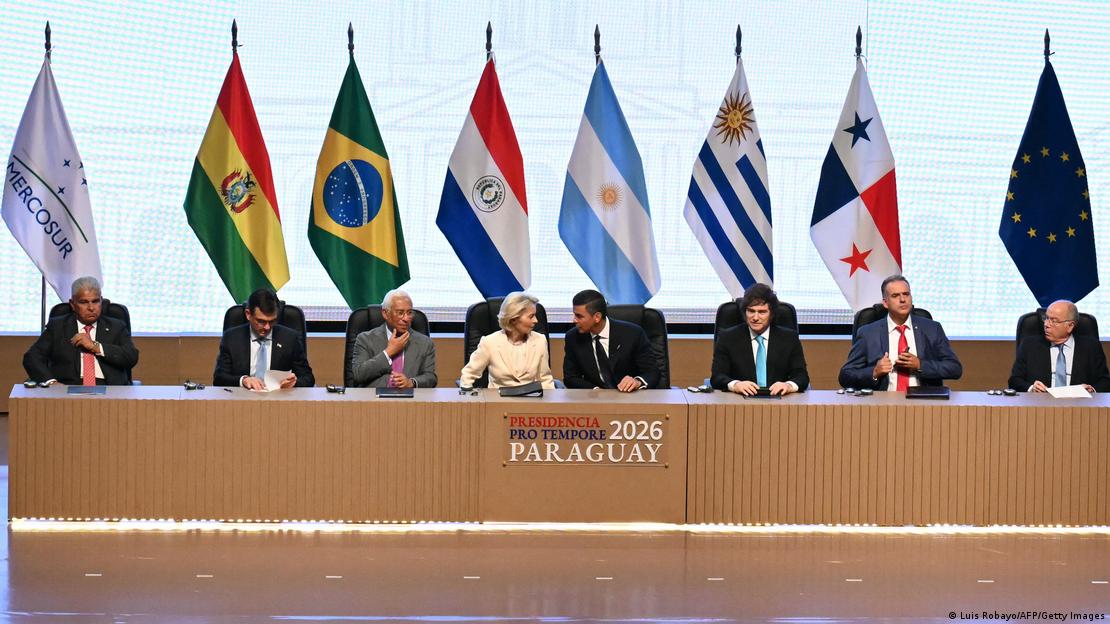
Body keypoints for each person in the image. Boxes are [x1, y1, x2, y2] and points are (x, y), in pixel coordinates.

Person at [838, 274, 962, 390]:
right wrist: (874, 372)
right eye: (895, 295)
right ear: (885, 303)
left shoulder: (932, 329)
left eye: (906, 294)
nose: (902, 299)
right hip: (883, 401)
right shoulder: (868, 333)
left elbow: (955, 369)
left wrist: (920, 365)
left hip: (923, 400)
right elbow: (846, 376)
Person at [23, 276, 139, 385]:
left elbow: (131, 357)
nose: (91, 308)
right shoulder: (58, 326)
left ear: (101, 301)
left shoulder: (116, 326)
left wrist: (95, 346)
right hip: (67, 388)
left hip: (109, 389)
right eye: (83, 302)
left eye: (95, 301)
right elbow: (32, 358)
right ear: (72, 304)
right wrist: (51, 382)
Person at [711, 283, 809, 395]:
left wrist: (788, 385)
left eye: (762, 312)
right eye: (751, 311)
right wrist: (736, 385)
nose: (755, 318)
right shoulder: (728, 337)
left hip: (778, 400)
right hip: (740, 400)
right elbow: (717, 377)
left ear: (771, 314)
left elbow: (802, 376)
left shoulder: (789, 338)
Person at [213, 288, 314, 389]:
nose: (267, 327)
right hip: (243, 396)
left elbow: (308, 378)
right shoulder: (231, 338)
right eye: (261, 321)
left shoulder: (290, 339)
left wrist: (294, 383)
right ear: (248, 314)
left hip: (279, 396)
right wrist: (243, 380)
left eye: (272, 321)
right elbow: (219, 378)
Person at [563, 289, 659, 392]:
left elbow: (652, 372)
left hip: (628, 396)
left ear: (597, 317)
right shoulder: (573, 337)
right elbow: (570, 377)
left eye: (579, 316)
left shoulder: (633, 334)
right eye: (574, 315)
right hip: (594, 397)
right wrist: (595, 390)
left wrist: (637, 382)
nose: (574, 320)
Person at [1008, 299, 1110, 393]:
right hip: (1040, 403)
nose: (1046, 324)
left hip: (1079, 403)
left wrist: (1091, 389)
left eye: (1054, 321)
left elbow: (1105, 381)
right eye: (1046, 318)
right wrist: (1031, 388)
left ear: (1070, 326)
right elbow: (1014, 380)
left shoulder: (1091, 347)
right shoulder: (1029, 345)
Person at [460, 291, 555, 389]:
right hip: (497, 397)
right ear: (513, 319)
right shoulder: (489, 342)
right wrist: (466, 389)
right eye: (531, 316)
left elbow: (545, 379)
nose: (536, 320)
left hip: (530, 397)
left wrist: (549, 397)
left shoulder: (540, 341)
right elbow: (468, 374)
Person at [350, 289, 437, 388]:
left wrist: (411, 382)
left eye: (409, 313)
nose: (406, 318)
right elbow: (358, 374)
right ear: (385, 313)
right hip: (374, 396)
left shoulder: (425, 343)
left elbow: (431, 377)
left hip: (409, 397)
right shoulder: (365, 339)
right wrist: (388, 352)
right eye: (400, 313)